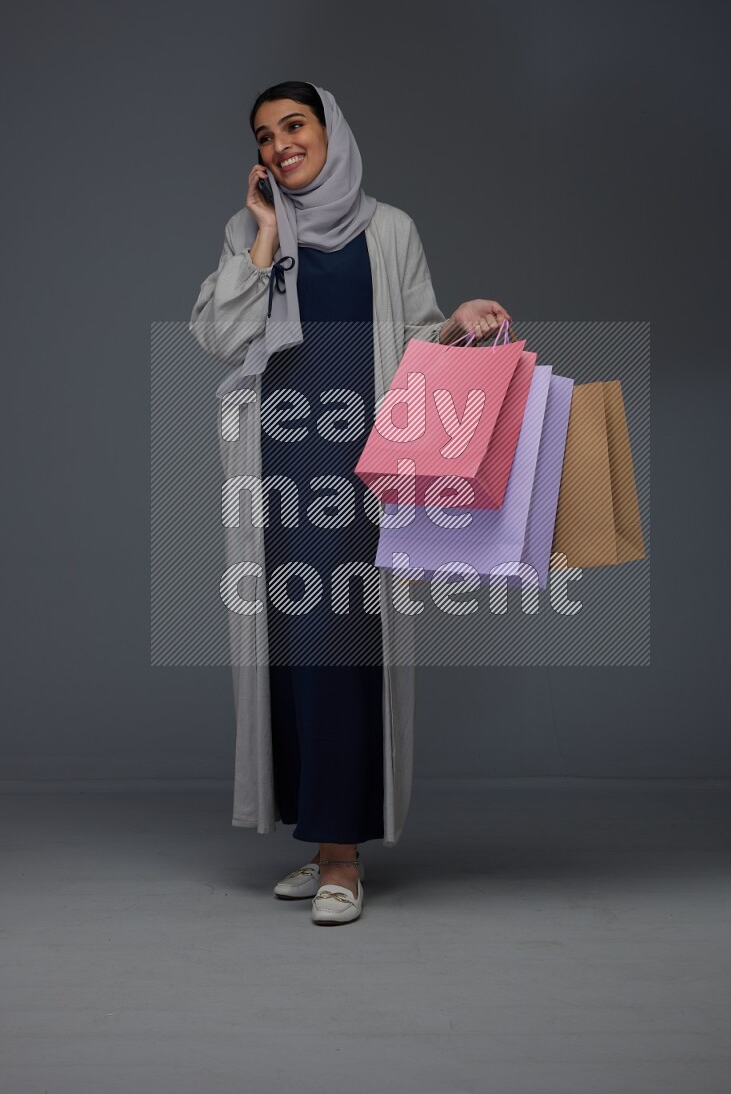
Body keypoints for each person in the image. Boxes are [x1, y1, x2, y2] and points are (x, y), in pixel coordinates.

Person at [190, 80, 512, 924]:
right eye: (265, 136)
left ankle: (341, 857)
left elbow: (415, 343)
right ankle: (322, 836)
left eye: (294, 125)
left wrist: (457, 323)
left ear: (330, 130)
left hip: (361, 466)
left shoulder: (389, 229)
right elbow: (218, 336)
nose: (280, 145)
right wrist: (265, 236)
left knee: (339, 645)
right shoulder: (251, 232)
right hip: (276, 462)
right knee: (292, 652)